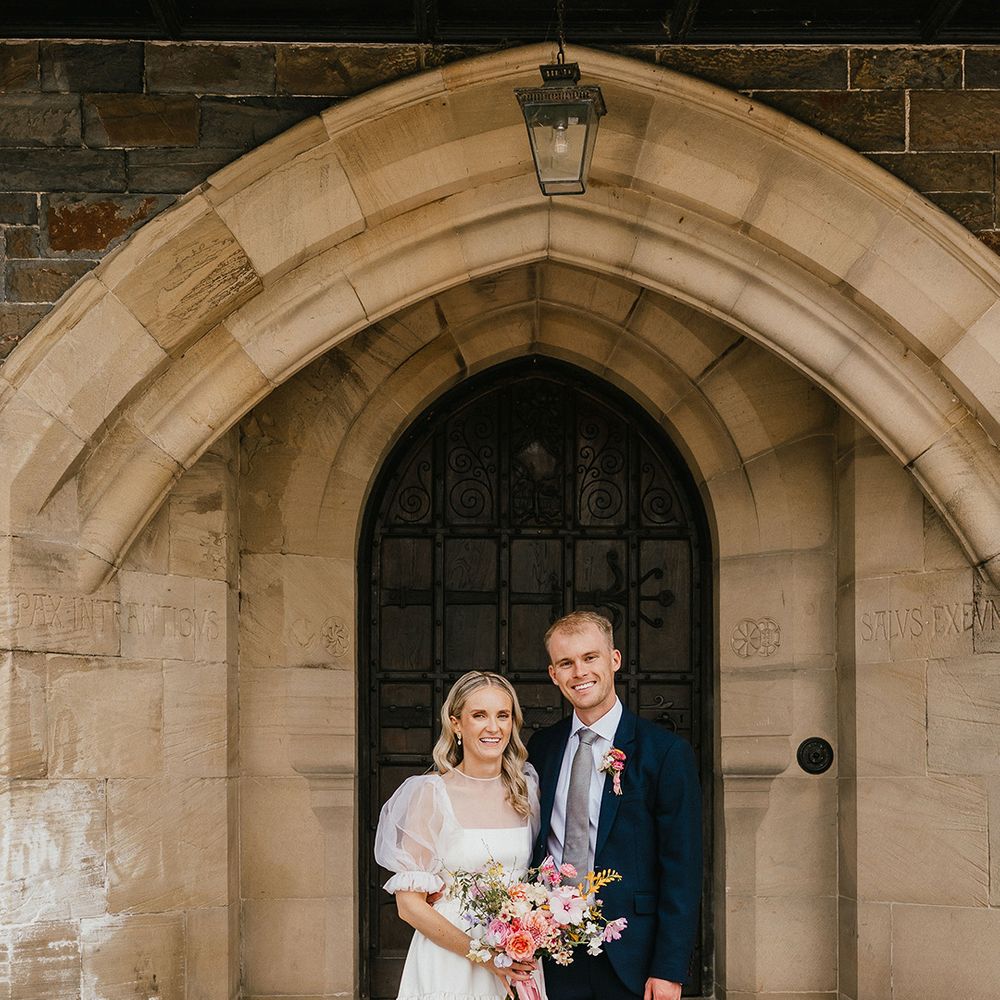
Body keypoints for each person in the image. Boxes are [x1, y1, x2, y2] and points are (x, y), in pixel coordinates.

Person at [527, 611, 702, 1000]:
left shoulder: (665, 752)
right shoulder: (542, 747)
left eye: (591, 657)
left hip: (632, 956)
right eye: (566, 663)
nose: (580, 672)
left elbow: (682, 869)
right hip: (550, 948)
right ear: (553, 674)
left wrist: (669, 968)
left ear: (615, 660)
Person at [375, 670, 547, 1000]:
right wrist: (485, 956)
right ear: (456, 723)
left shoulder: (527, 791)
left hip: (516, 959)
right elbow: (409, 906)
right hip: (451, 959)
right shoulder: (430, 794)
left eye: (503, 716)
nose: (493, 728)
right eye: (479, 715)